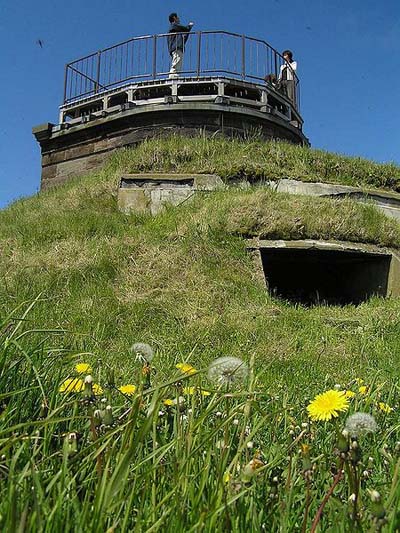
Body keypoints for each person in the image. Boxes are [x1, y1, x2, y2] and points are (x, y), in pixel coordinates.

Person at [167, 13, 194, 78]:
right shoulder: (173, 26)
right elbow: (185, 29)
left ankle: (175, 75)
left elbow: (184, 36)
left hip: (177, 47)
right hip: (176, 47)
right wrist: (189, 26)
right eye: (177, 17)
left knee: (178, 62)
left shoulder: (175, 28)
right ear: (174, 18)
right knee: (176, 61)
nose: (179, 19)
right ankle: (173, 75)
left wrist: (188, 30)